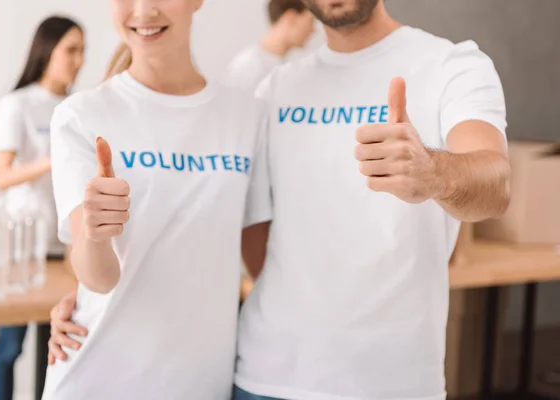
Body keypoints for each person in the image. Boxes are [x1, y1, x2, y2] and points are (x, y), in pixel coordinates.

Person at [49, 0, 512, 399]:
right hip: (261, 380)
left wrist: (433, 173)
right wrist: (93, 290)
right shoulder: (272, 92)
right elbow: (243, 239)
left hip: (390, 382)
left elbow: (494, 183)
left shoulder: (451, 65)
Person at [41, 0, 270, 399]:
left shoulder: (247, 116)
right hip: (97, 378)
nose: (143, 11)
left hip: (200, 383)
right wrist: (95, 232)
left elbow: (264, 264)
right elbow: (98, 277)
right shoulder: (80, 116)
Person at [0, 16, 84, 400]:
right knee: (11, 347)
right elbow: (1, 176)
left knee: (55, 349)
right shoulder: (18, 104)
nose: (78, 60)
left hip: (64, 248)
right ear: (47, 51)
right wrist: (53, 159)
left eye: (82, 51)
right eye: (71, 50)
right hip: (21, 251)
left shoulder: (78, 106)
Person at [225, 0, 315, 91]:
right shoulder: (248, 67)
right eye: (310, 20)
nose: (313, 30)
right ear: (290, 18)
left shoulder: (278, 67)